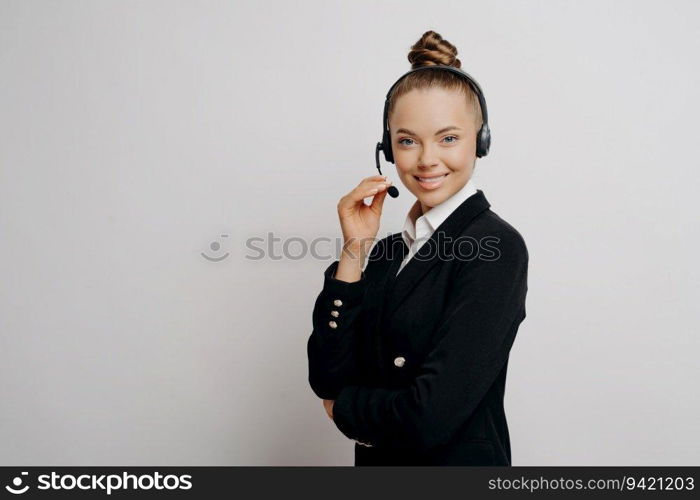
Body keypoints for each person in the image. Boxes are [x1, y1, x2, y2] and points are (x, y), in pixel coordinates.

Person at [306, 30, 529, 466]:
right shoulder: (388, 253)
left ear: (480, 142)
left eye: (448, 138)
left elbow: (430, 416)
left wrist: (346, 411)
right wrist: (354, 251)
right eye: (407, 140)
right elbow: (328, 376)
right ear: (387, 149)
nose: (427, 159)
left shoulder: (495, 247)